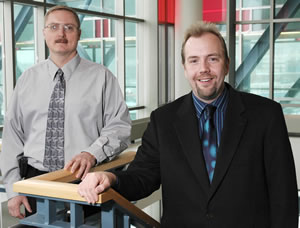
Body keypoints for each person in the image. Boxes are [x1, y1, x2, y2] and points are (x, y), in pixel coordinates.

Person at [78, 21, 299, 227]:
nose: (204, 68)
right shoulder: (163, 120)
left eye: (213, 59)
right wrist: (110, 177)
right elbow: (142, 176)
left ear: (227, 64)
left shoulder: (266, 114)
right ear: (185, 68)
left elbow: (284, 193)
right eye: (194, 60)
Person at [0, 5, 131, 219]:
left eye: (69, 27)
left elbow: (120, 128)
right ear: (44, 33)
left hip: (85, 180)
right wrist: (13, 189)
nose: (61, 34)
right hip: (35, 183)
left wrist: (91, 153)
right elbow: (12, 135)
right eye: (54, 27)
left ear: (79, 34)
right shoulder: (27, 79)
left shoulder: (102, 77)